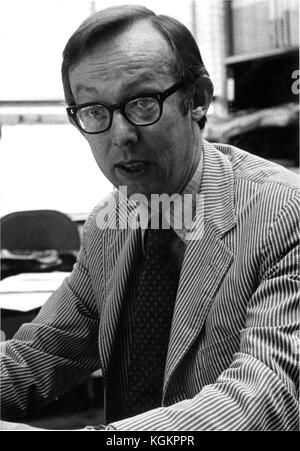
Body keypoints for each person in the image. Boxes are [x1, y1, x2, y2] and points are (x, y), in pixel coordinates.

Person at [1, 5, 299, 431]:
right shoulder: (112, 222)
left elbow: (265, 396)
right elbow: (42, 352)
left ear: (197, 100)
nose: (120, 135)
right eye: (94, 112)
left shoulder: (284, 214)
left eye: (142, 103)